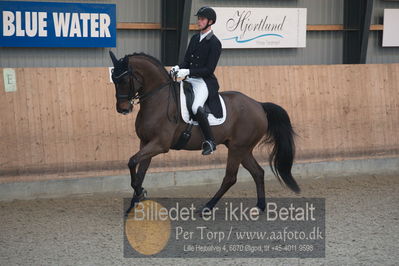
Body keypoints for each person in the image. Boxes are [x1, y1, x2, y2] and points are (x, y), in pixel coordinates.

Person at [171, 6, 222, 156]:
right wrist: (177, 68)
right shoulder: (194, 38)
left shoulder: (214, 43)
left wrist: (188, 71)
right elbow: (186, 61)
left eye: (202, 19)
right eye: (198, 19)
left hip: (204, 82)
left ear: (210, 22)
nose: (199, 21)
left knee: (195, 107)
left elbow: (209, 69)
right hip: (190, 79)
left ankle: (210, 141)